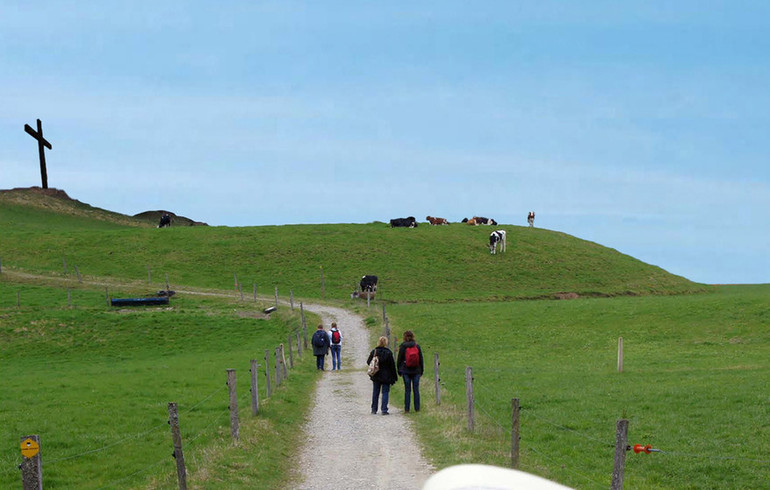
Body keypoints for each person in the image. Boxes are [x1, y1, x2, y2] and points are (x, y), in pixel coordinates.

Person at [367, 336, 397, 415]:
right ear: (386, 343)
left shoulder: (374, 351)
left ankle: (374, 409)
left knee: (375, 392)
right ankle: (384, 409)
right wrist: (394, 377)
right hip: (386, 376)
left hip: (376, 375)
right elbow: (392, 366)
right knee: (385, 392)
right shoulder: (388, 353)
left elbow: (368, 361)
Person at [397, 330, 424, 413]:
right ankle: (417, 408)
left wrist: (399, 370)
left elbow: (399, 359)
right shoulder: (417, 346)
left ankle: (407, 409)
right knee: (416, 389)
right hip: (416, 371)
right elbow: (421, 359)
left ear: (404, 337)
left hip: (406, 371)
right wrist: (421, 370)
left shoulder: (403, 347)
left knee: (407, 390)